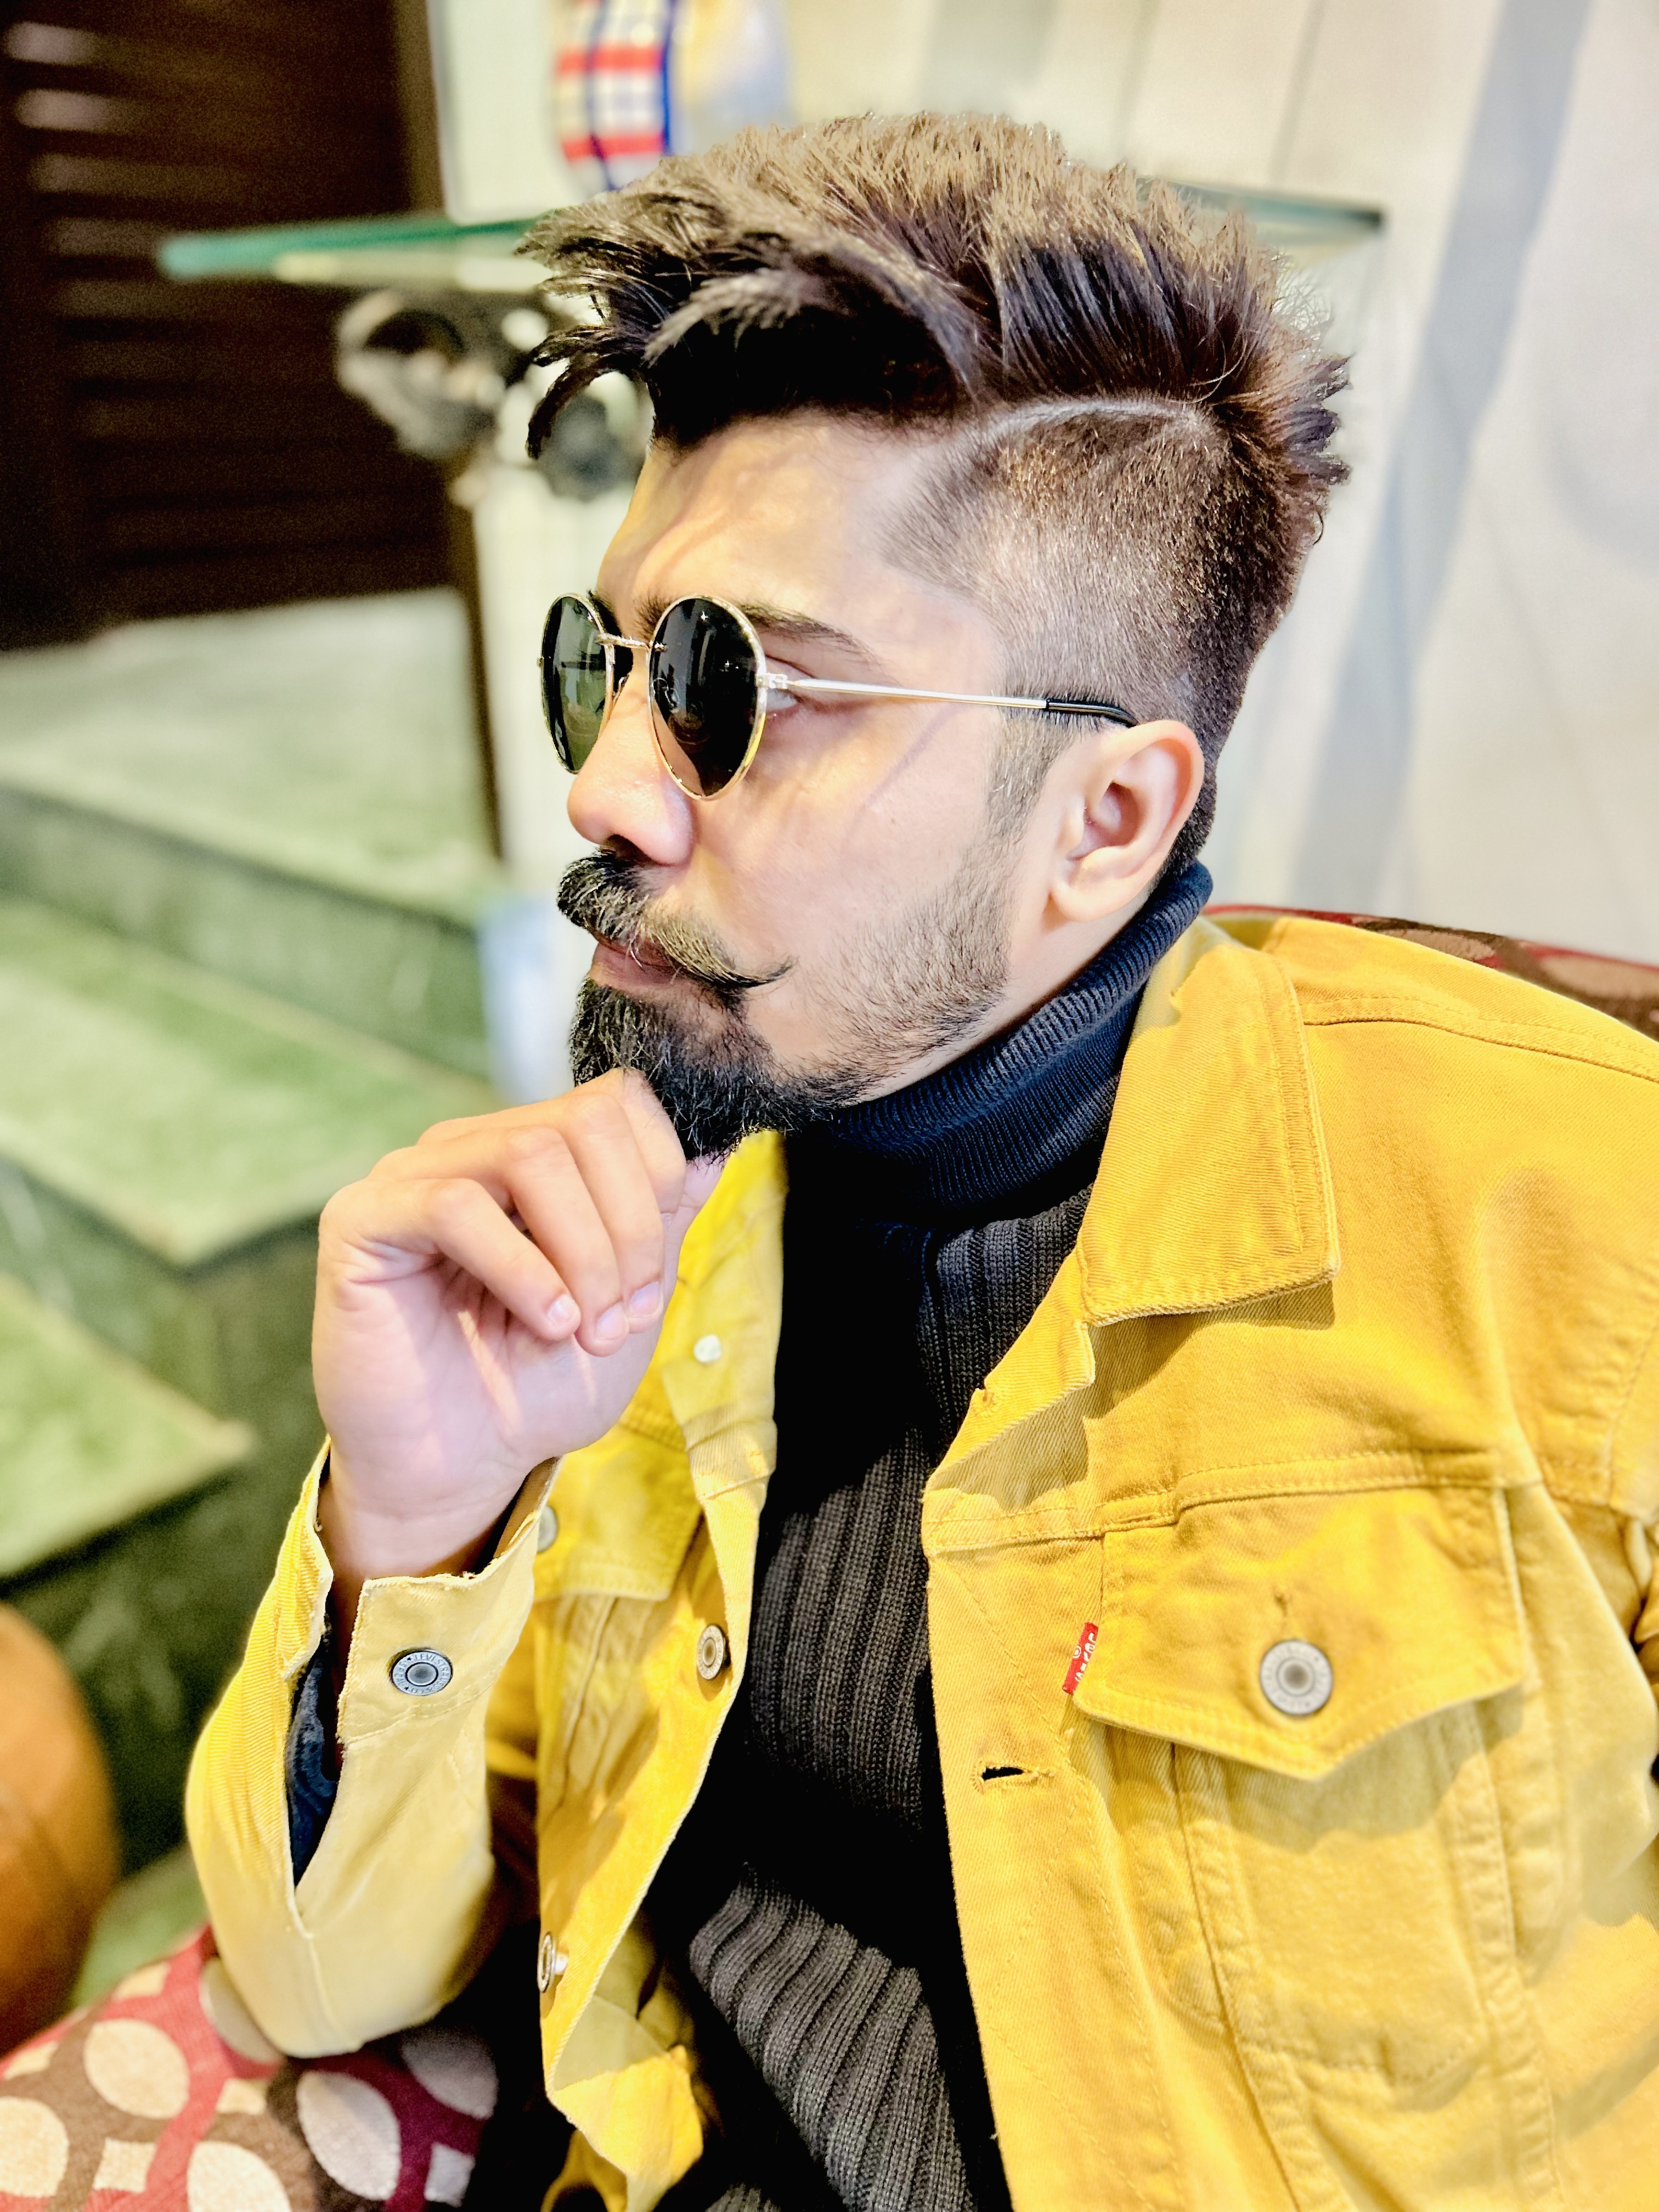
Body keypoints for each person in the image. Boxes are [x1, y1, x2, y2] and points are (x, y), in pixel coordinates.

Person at [187, 116, 1659, 2211]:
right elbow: (319, 1978)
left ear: (1103, 823)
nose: (605, 789)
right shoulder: (631, 1252)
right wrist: (411, 1526)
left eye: (739, 688)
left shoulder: (1578, 1222)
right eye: (612, 660)